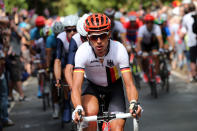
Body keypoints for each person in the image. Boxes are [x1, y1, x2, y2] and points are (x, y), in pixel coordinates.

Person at [72, 13, 141, 131]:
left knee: (117, 128)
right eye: (94, 37)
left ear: (109, 34)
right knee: (90, 116)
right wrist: (78, 107)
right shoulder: (82, 51)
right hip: (92, 86)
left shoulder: (119, 49)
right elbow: (76, 86)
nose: (99, 41)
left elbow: (129, 84)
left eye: (102, 36)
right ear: (88, 37)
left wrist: (133, 102)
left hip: (114, 87)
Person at [54, 15, 78, 119]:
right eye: (69, 30)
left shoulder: (81, 37)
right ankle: (67, 103)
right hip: (65, 59)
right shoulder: (61, 38)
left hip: (77, 58)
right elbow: (57, 60)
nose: (72, 33)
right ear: (65, 31)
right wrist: (58, 79)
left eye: (74, 29)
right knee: (65, 74)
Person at [136, 14, 164, 84]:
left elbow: (160, 40)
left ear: (153, 22)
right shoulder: (142, 29)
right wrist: (139, 51)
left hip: (153, 44)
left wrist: (160, 49)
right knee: (143, 57)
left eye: (151, 22)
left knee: (156, 56)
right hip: (144, 44)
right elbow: (138, 42)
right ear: (145, 23)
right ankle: (144, 73)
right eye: (147, 22)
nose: (150, 24)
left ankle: (157, 75)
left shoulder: (156, 28)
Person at [65, 14, 89, 90]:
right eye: (84, 38)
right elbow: (69, 68)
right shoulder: (75, 39)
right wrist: (73, 88)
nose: (87, 41)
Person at [181, 3, 197, 82]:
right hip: (193, 40)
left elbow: (184, 29)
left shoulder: (185, 17)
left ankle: (194, 76)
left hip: (191, 41)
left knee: (192, 60)